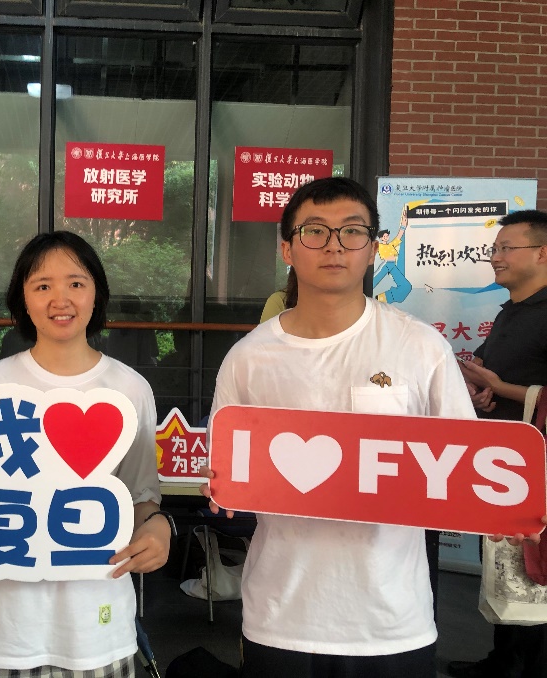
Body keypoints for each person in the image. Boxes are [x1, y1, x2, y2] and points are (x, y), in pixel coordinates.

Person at [203, 177, 476, 678]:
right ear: (287, 248)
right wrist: (222, 487)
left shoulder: (420, 347)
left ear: (373, 247)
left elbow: (466, 467)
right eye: (314, 231)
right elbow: (226, 470)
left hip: (392, 620)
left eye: (352, 231)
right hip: (280, 615)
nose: (334, 245)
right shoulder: (248, 358)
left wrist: (501, 513)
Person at [0, 231, 171, 676]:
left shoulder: (130, 388)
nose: (61, 299)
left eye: (76, 283)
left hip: (97, 632)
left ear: (96, 293)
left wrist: (159, 529)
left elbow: (142, 498)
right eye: (42, 285)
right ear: (23, 298)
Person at [450, 209, 547, 678]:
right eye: (495, 248)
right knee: (503, 565)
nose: (495, 257)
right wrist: (482, 391)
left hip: (539, 468)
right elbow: (494, 376)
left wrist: (501, 387)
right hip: (502, 464)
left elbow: (511, 384)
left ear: (542, 253)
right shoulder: (511, 311)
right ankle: (503, 661)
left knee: (535, 569)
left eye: (507, 248)